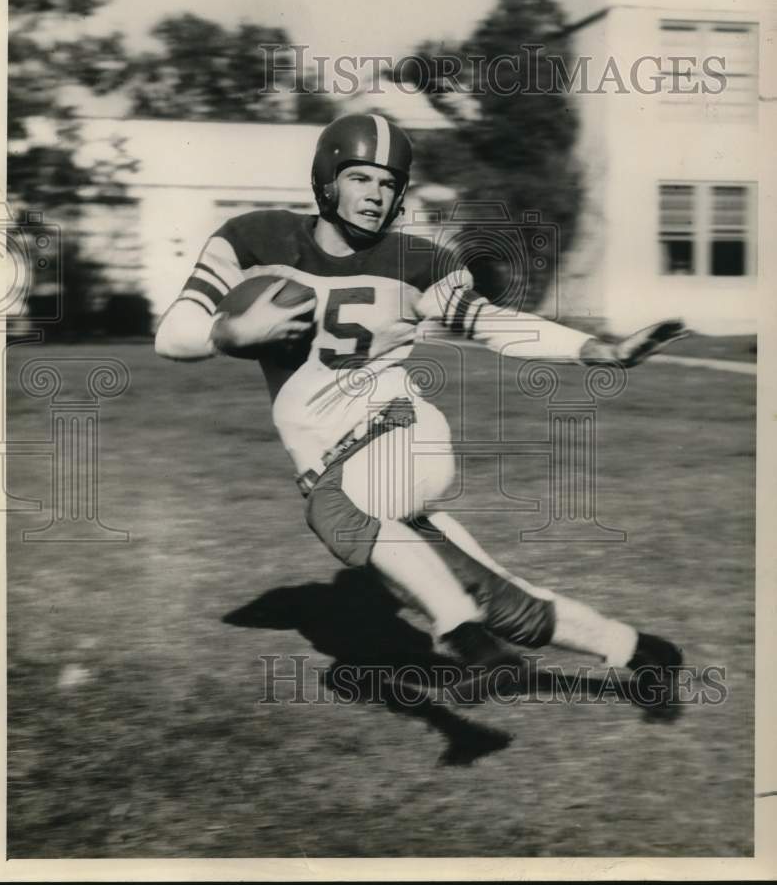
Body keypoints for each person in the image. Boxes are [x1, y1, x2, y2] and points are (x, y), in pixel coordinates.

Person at [156, 113, 687, 714]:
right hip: (345, 467)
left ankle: (467, 641)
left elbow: (492, 325)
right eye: (360, 178)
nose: (375, 195)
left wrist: (595, 350)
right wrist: (229, 333)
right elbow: (173, 334)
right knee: (505, 604)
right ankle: (643, 652)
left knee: (333, 509)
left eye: (388, 184)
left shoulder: (418, 260)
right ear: (327, 180)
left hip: (399, 437)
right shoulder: (255, 238)